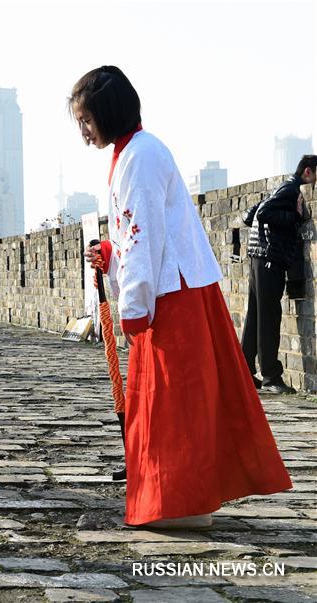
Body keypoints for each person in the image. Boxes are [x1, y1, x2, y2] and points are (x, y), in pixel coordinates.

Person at [73, 66, 291, 529]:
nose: (84, 132)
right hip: (171, 288)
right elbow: (136, 236)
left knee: (175, 403)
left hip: (171, 295)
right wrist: (110, 254)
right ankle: (181, 500)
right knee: (177, 401)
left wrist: (133, 306)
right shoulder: (134, 152)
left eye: (86, 120)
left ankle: (182, 503)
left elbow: (145, 238)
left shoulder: (140, 157)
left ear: (108, 112)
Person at [241, 155, 316, 394]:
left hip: (259, 257)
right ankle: (271, 377)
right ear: (308, 172)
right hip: (269, 259)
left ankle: (243, 371)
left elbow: (249, 216)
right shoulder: (290, 190)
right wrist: (295, 216)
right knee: (269, 316)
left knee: (256, 315)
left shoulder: (281, 188)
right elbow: (262, 213)